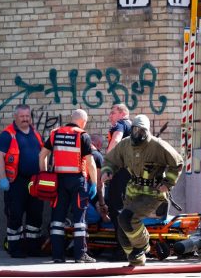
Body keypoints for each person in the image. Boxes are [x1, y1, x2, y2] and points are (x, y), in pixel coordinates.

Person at [100, 114, 183, 266]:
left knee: (127, 218)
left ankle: (143, 246)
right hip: (133, 191)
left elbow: (177, 163)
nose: (138, 134)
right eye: (135, 130)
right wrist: (107, 171)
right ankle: (136, 258)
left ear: (147, 131)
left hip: (152, 193)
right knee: (122, 227)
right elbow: (111, 160)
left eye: (141, 131)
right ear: (131, 129)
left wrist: (168, 183)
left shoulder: (158, 145)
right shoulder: (125, 145)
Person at [39, 109, 98, 264]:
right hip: (77, 181)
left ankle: (58, 255)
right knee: (79, 219)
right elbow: (91, 163)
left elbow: (42, 155)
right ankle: (80, 255)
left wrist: (45, 174)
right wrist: (95, 183)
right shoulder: (82, 135)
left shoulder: (55, 133)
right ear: (83, 121)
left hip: (58, 181)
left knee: (57, 219)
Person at [0, 104, 46, 258]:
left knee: (35, 216)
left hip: (35, 182)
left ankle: (33, 248)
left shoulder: (35, 134)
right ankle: (15, 249)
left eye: (27, 116)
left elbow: (43, 154)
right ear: (15, 117)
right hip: (16, 182)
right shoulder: (7, 134)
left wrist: (44, 174)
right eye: (22, 116)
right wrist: (2, 179)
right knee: (15, 215)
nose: (25, 119)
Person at [100, 105, 133, 236]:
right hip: (131, 173)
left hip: (120, 172)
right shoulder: (133, 127)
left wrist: (108, 161)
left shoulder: (120, 124)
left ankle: (121, 247)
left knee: (116, 207)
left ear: (122, 113)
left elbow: (116, 139)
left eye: (112, 113)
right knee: (126, 209)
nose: (110, 116)